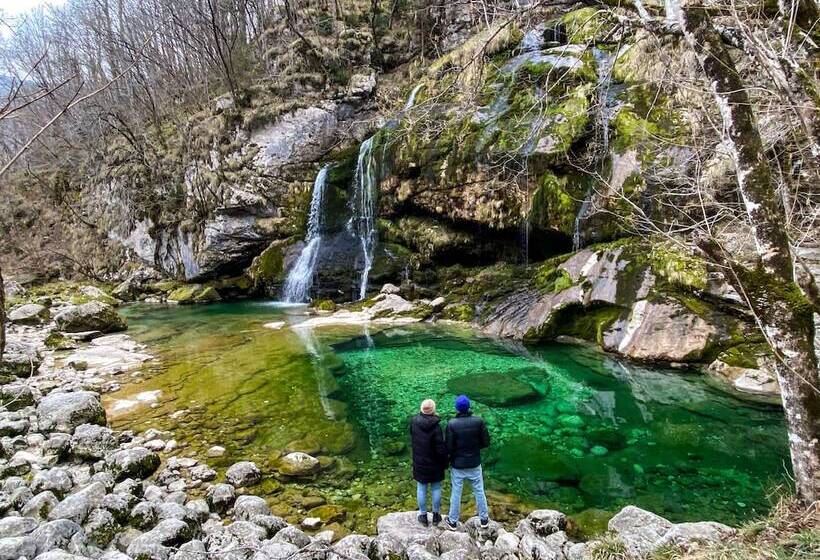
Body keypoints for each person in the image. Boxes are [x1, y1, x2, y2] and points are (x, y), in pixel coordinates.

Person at [445, 395, 491, 528]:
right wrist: (475, 448)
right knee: (479, 491)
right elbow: (486, 442)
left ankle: (453, 521)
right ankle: (484, 519)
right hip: (475, 463)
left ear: (457, 408)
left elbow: (449, 447)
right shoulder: (479, 421)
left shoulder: (451, 424)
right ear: (469, 407)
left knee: (456, 493)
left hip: (457, 465)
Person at [409, 398, 448, 526]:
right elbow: (440, 448)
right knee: (436, 487)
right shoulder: (436, 427)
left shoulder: (414, 422)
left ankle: (423, 515)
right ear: (433, 410)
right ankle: (436, 515)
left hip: (420, 461)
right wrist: (445, 463)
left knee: (421, 488)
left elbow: (412, 437)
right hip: (435, 463)